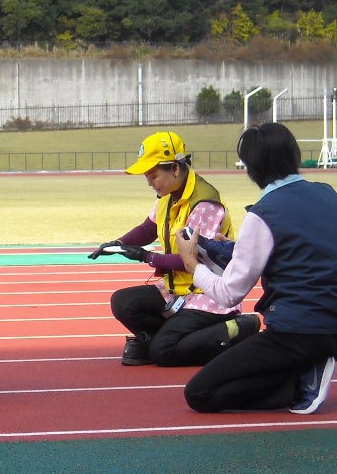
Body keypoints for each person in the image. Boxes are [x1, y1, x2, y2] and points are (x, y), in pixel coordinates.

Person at [177, 122, 337, 414]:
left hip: (299, 332)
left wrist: (191, 263)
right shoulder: (328, 194)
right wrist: (222, 248)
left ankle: (301, 381)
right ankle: (308, 365)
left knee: (200, 393)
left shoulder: (263, 214)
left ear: (252, 168)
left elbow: (229, 294)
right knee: (253, 370)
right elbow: (295, 250)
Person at [88, 130, 259, 367]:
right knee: (123, 302)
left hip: (206, 296)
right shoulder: (167, 195)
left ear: (175, 169)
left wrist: (147, 256)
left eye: (152, 175)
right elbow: (147, 229)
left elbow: (191, 260)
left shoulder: (204, 203)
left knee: (164, 352)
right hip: (175, 291)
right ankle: (158, 339)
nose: (148, 181)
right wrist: (118, 244)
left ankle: (236, 329)